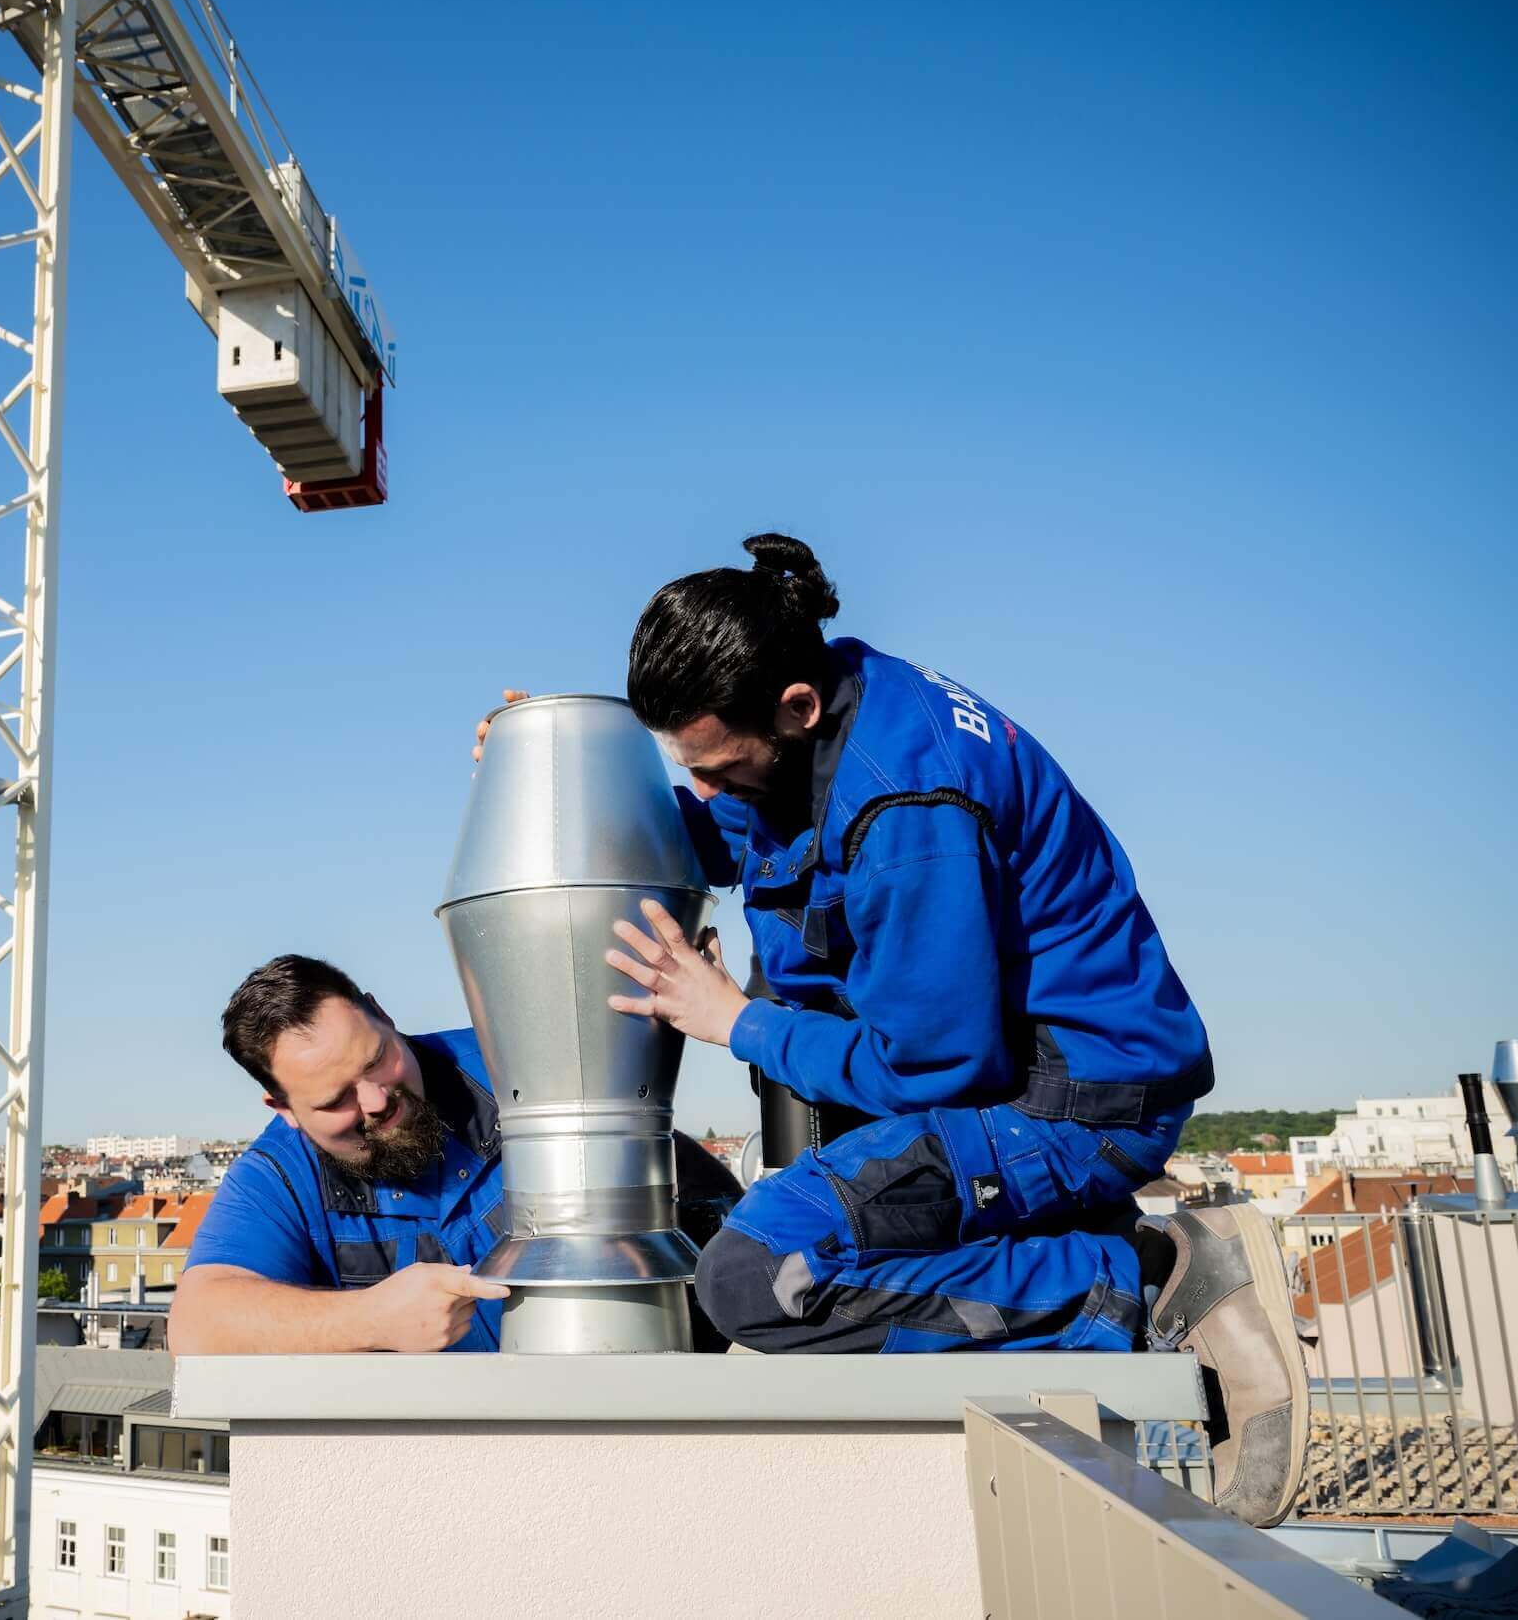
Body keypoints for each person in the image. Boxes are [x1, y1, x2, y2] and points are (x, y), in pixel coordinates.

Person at [476, 533, 1308, 1526]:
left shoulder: (907, 809)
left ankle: (1136, 1279)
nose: (705, 790)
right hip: (1009, 1092)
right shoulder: (817, 720)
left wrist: (732, 1020)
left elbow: (936, 1068)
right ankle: (1089, 1263)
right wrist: (556, 768)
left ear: (793, 708)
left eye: (717, 767)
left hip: (1066, 1109)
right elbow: (726, 830)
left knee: (758, 1280)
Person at [172, 954, 745, 1355]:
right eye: (335, 1099)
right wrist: (373, 1319)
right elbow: (197, 1329)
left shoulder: (529, 1067)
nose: (375, 1100)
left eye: (376, 1060)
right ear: (284, 1108)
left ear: (383, 1014)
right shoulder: (279, 1176)